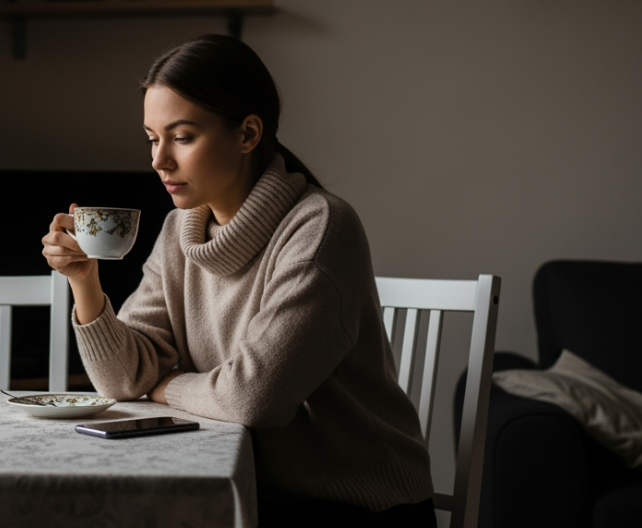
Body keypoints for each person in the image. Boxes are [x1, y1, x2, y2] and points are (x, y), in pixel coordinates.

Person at [41, 35, 435, 527]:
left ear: (248, 134)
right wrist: (84, 282)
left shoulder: (320, 228)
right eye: (152, 138)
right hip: (251, 491)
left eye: (182, 137)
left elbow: (252, 399)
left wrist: (163, 387)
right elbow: (124, 379)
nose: (158, 160)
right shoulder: (177, 231)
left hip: (355, 505)